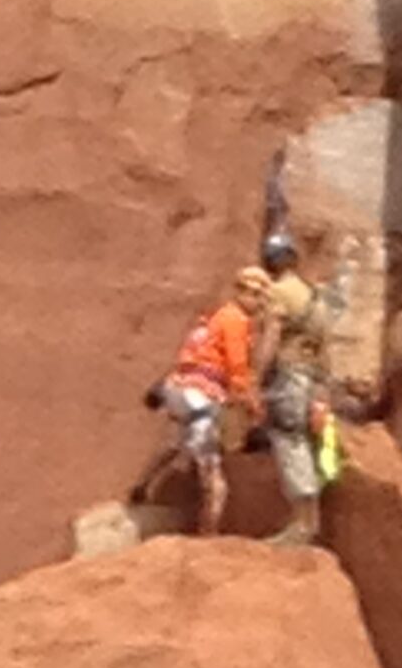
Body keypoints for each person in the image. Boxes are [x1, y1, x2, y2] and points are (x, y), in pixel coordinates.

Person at [139, 268, 270, 535]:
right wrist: (254, 409)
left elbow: (189, 357)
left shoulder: (212, 319)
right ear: (241, 292)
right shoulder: (235, 320)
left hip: (178, 391)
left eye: (260, 295)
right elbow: (237, 369)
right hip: (201, 397)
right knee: (213, 475)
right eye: (254, 294)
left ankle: (142, 486)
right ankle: (208, 534)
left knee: (174, 443)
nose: (257, 301)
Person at [254, 231, 329, 548]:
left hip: (289, 375)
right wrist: (322, 389)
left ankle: (302, 525)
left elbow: (271, 337)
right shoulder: (313, 296)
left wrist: (254, 376)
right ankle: (310, 521)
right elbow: (324, 346)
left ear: (270, 261)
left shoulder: (278, 293)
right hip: (310, 376)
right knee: (304, 442)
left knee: (289, 440)